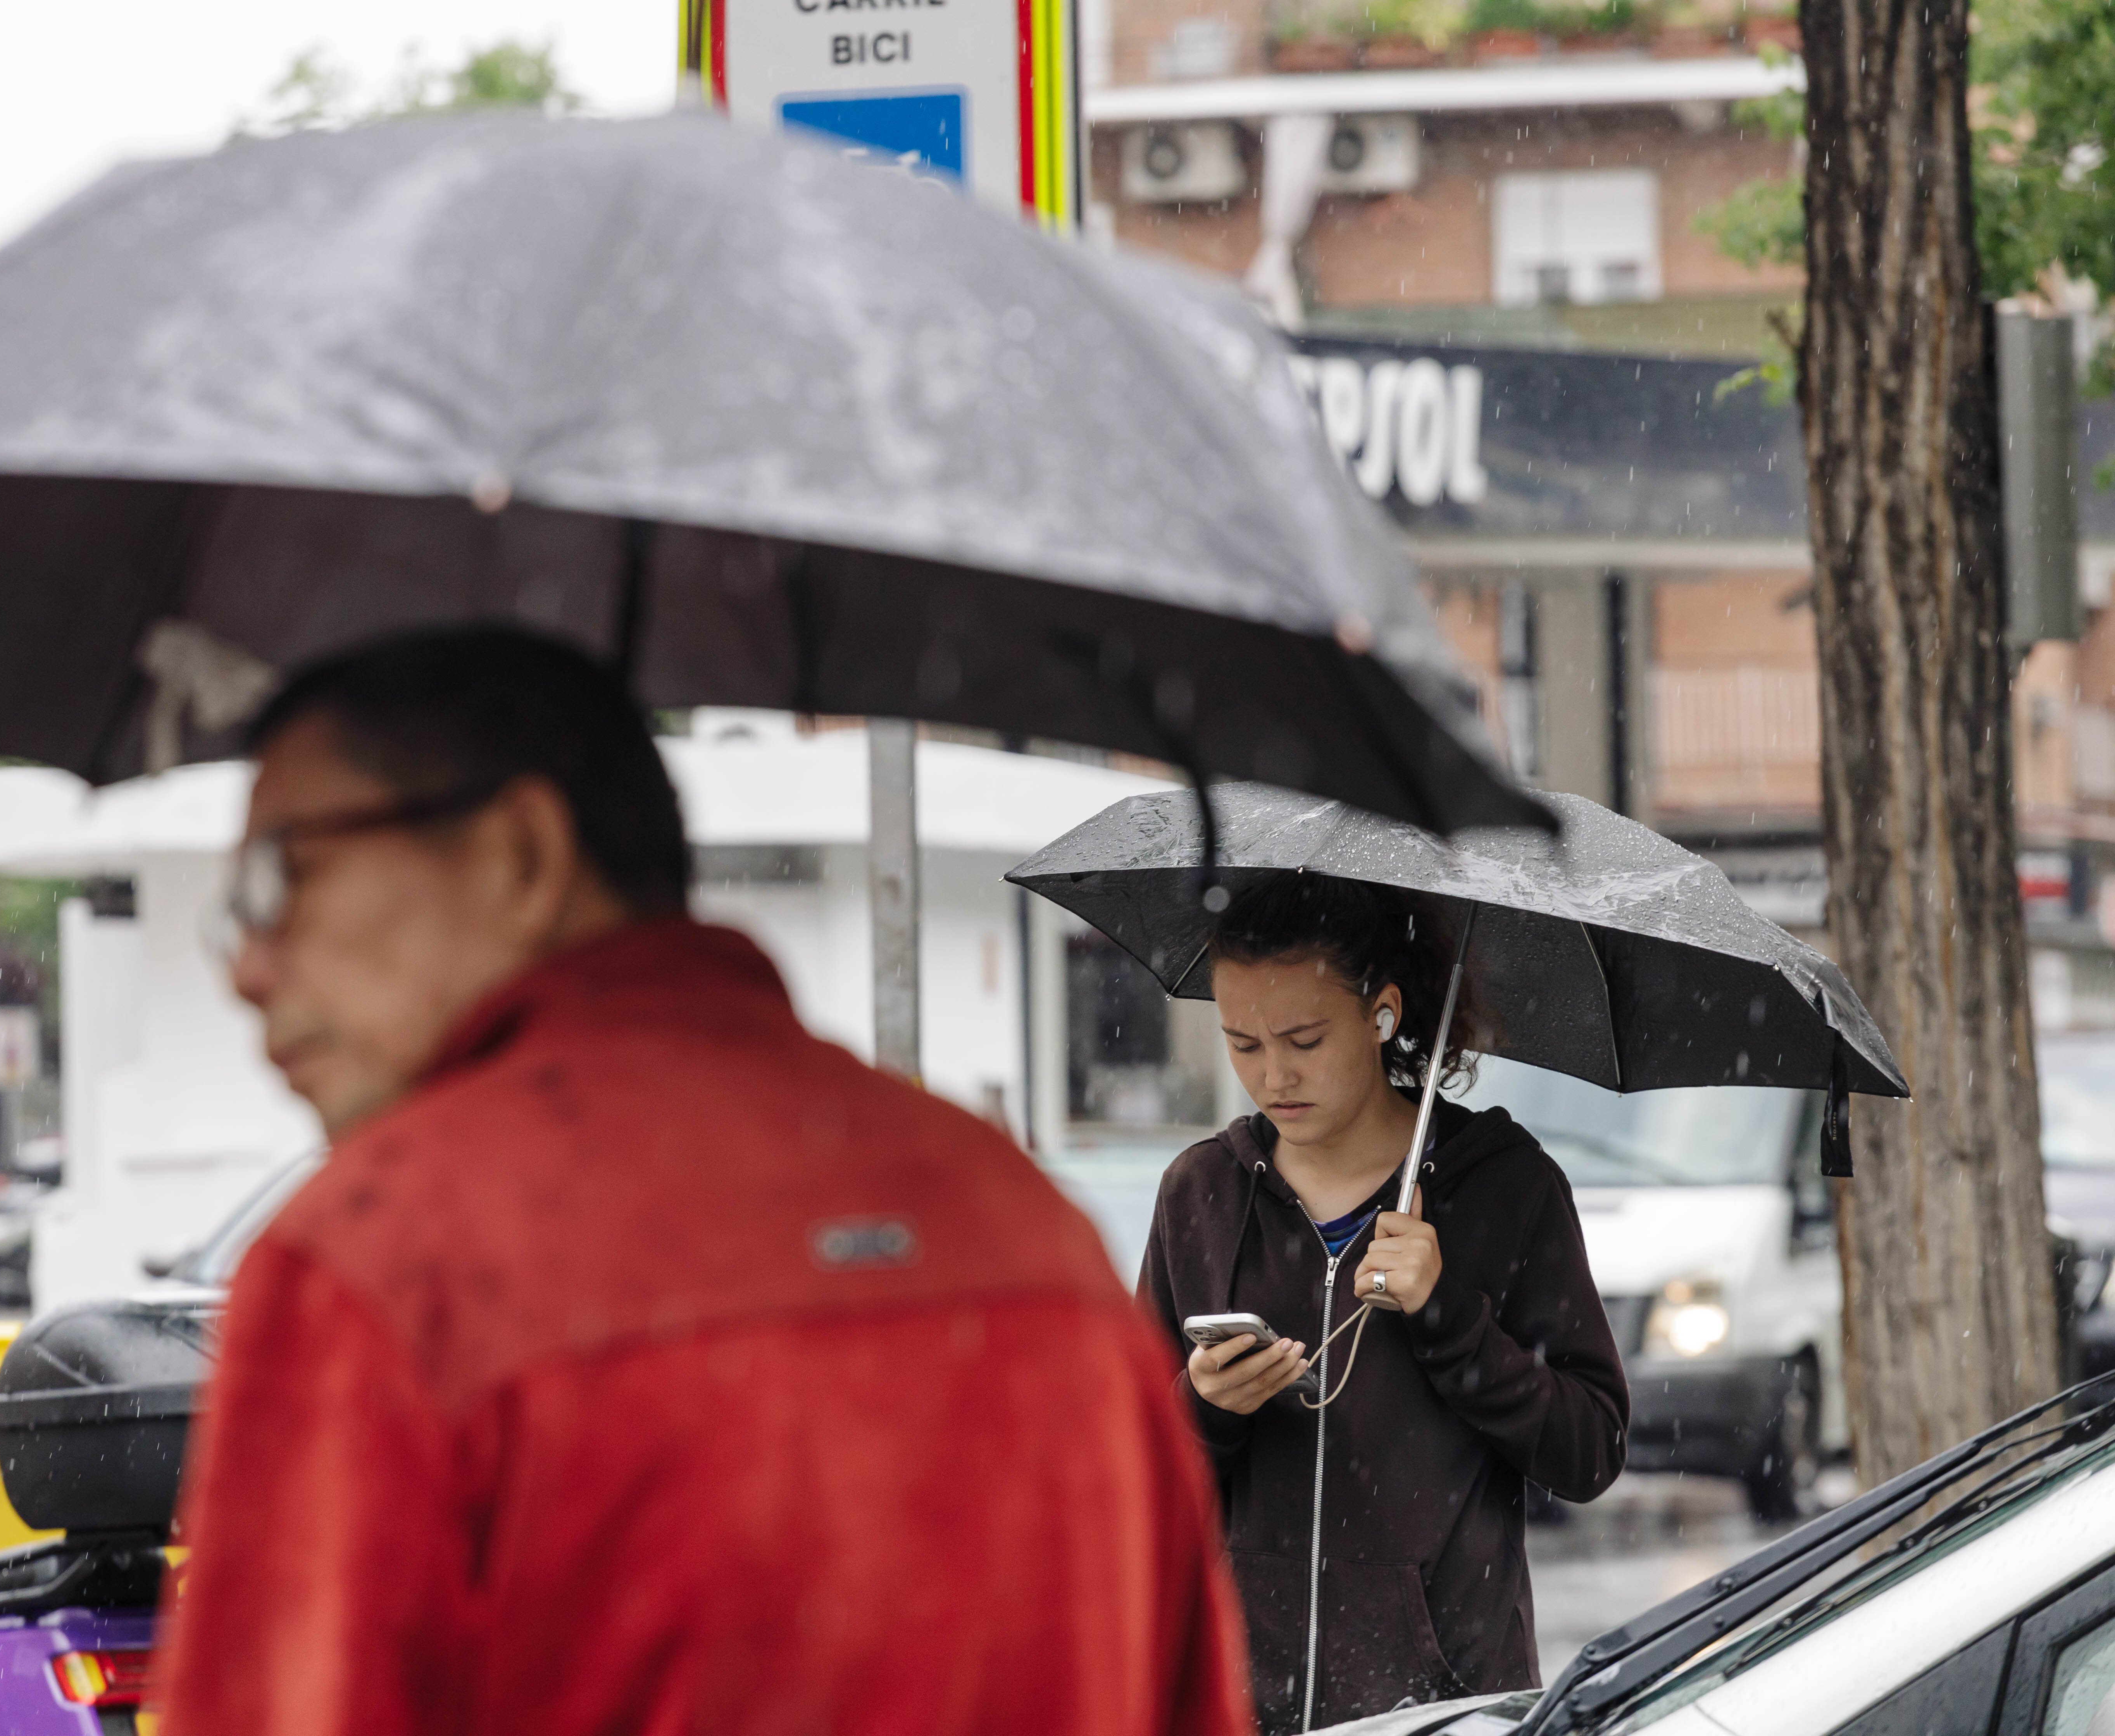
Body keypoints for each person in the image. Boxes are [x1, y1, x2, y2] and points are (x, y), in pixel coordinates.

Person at [155, 626, 1249, 1736]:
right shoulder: (1025, 1224)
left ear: (518, 855)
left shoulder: (383, 1265)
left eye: (284, 876)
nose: (247, 967)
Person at [1139, 875, 1627, 1732]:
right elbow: (1128, 1472)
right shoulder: (1202, 1193)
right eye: (1242, 1043)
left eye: (1304, 1039)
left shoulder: (1506, 1187)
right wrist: (1202, 1408)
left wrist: (1449, 1316)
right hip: (1238, 1700)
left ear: (1383, 1013)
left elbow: (1590, 1449)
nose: (1274, 1075)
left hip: (1446, 1706)